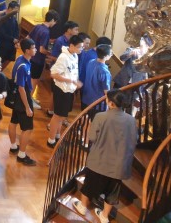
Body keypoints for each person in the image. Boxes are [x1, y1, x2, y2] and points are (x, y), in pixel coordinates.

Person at [72, 90, 137, 223]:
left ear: (111, 103)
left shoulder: (100, 116)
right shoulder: (131, 120)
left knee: (89, 184)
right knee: (112, 192)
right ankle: (104, 216)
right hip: (119, 165)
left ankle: (83, 207)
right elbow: (133, 141)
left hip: (99, 161)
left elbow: (92, 137)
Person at [47, 34, 84, 148]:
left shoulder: (75, 56)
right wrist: (71, 81)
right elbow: (53, 74)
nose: (81, 49)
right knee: (57, 116)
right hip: (61, 90)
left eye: (82, 47)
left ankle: (58, 135)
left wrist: (74, 82)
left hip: (69, 90)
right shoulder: (63, 57)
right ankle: (51, 140)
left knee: (62, 116)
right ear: (71, 46)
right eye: (79, 47)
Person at [8, 38, 38, 166]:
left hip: (17, 98)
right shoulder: (23, 66)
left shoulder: (21, 59)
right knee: (28, 128)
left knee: (14, 121)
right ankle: (22, 155)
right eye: (33, 48)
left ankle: (13, 146)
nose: (35, 50)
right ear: (27, 50)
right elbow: (21, 88)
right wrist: (27, 107)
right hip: (22, 98)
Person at [27, 9, 59, 110]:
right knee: (34, 80)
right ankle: (29, 100)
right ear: (52, 20)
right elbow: (42, 49)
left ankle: (29, 97)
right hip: (38, 60)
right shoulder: (46, 32)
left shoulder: (37, 26)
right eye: (55, 21)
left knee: (30, 78)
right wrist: (50, 54)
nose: (55, 23)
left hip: (31, 57)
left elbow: (27, 38)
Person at [81, 44, 113, 119]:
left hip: (86, 98)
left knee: (86, 119)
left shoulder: (90, 62)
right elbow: (106, 91)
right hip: (98, 103)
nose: (111, 55)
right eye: (111, 53)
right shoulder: (104, 71)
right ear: (106, 56)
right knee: (96, 122)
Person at [0, 1, 20, 70]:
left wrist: (17, 40)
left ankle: (0, 71)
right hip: (2, 44)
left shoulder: (13, 18)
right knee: (1, 60)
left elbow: (17, 30)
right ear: (10, 9)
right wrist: (12, 39)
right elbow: (1, 33)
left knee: (10, 58)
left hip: (11, 44)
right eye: (15, 9)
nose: (17, 11)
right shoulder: (1, 18)